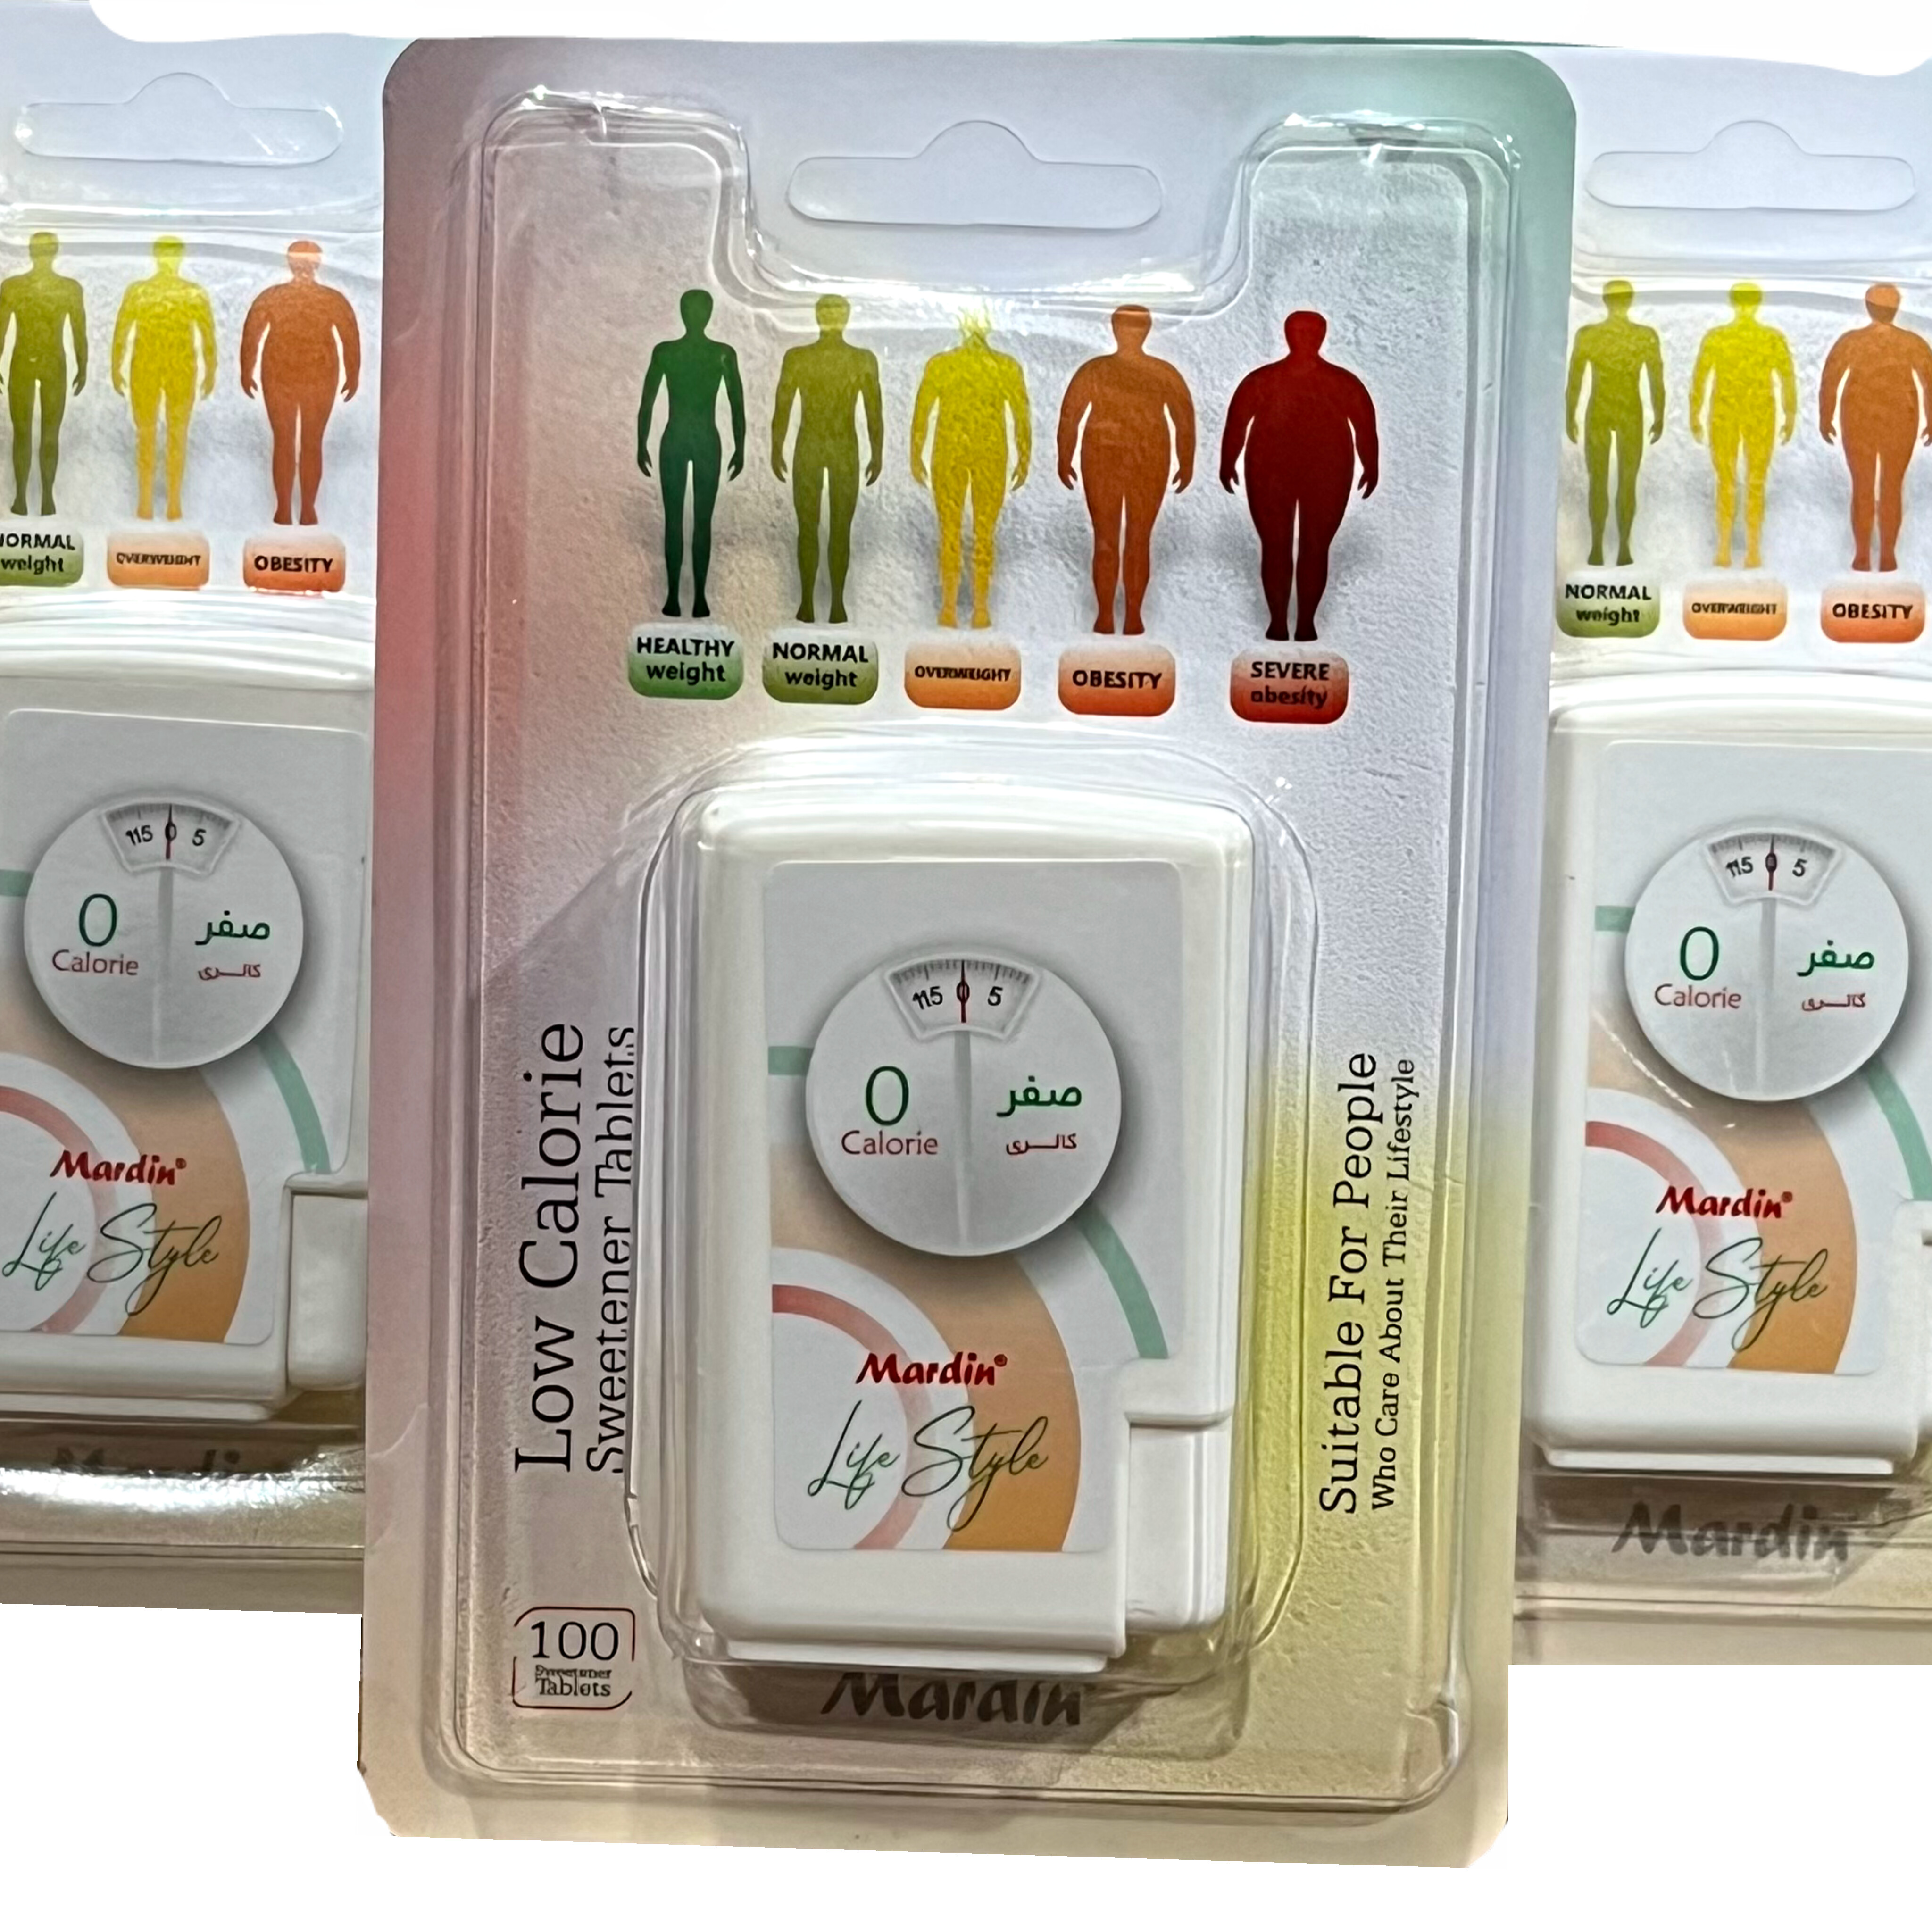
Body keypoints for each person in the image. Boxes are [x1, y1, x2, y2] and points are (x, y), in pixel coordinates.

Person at [1219, 310, 1377, 643]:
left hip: (1328, 470)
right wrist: (1228, 460)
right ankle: (1278, 622)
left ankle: (1306, 622)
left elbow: (1365, 426)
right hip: (1269, 469)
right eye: (1299, 332)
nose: (1305, 339)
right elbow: (1238, 423)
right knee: (1275, 544)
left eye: (1311, 332)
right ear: (1287, 335)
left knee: (1316, 546)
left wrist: (1371, 463)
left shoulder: (1343, 384)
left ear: (1322, 337)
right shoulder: (1262, 381)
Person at [1057, 305, 1194, 635]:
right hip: (1108, 459)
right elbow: (1070, 416)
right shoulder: (1105, 371)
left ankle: (1130, 615)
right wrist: (1065, 456)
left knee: (1132, 538)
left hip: (1143, 460)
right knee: (1115, 538)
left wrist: (1186, 459)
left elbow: (1184, 420)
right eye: (1127, 328)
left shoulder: (1148, 373)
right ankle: (1109, 615)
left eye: (1135, 328)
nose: (1131, 334)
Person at [910, 314, 1030, 628]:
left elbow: (1021, 415)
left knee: (971, 532)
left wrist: (1025, 455)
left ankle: (971, 609)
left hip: (972, 452)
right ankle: (959, 609)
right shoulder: (992, 366)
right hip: (969, 451)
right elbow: (923, 411)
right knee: (961, 531)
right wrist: (915, 452)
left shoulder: (996, 366)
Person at [770, 295, 882, 625]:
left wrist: (878, 451)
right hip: (823, 446)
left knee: (833, 528)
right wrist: (776, 447)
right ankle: (811, 602)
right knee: (814, 527)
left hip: (830, 447)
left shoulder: (859, 360)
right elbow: (783, 406)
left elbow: (874, 411)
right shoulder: (802, 358)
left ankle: (833, 603)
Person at [637, 289, 745, 619]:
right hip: (691, 440)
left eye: (699, 310)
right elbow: (648, 402)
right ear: (685, 313)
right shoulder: (682, 353)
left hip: (690, 440)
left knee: (697, 520)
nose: (696, 316)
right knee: (682, 520)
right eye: (692, 309)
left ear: (707, 315)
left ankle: (697, 597)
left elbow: (737, 406)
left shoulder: (718, 354)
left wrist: (741, 447)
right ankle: (676, 596)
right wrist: (641, 443)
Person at [239, 240, 361, 527]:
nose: (304, 268)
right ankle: (287, 509)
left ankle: (305, 509)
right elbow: (252, 335)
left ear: (317, 264)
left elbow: (350, 338)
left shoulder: (285, 298)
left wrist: (353, 373)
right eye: (300, 262)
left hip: (316, 375)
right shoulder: (281, 298)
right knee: (289, 440)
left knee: (307, 441)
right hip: (283, 374)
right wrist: (247, 369)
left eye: (308, 262)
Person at [1819, 283, 1932, 573]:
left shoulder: (1851, 342)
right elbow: (1929, 384)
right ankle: (1888, 556)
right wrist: (1931, 419)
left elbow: (1831, 379)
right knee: (1893, 486)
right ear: (1897, 309)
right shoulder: (1913, 343)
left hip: (1859, 418)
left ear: (1868, 308)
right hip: (1901, 419)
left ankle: (1862, 555)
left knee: (1862, 486)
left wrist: (1826, 416)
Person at [1689, 283, 1797, 570]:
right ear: (1757, 304)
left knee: (1728, 481)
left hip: (1730, 412)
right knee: (1753, 481)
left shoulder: (1718, 337)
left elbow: (1700, 378)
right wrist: (1790, 414)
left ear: (1734, 303)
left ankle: (1730, 550)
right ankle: (1748, 551)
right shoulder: (1771, 338)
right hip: (1755, 412)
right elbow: (1787, 378)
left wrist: (1695, 413)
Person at [112, 237, 217, 522]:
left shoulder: (190, 293)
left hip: (171, 366)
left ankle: (171, 503)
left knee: (172, 433)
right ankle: (148, 503)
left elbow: (207, 336)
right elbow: (122, 330)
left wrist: (211, 369)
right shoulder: (146, 292)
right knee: (152, 433)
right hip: (156, 366)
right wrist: (115, 365)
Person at [1566, 280, 1665, 567]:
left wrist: (1570, 414)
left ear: (1605, 301)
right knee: (1626, 482)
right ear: (1629, 301)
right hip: (1628, 411)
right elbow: (1656, 381)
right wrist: (1659, 415)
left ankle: (1599, 548)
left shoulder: (1591, 336)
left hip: (1601, 410)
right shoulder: (1643, 336)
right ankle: (1621, 549)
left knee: (1599, 480)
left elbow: (1575, 381)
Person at [0, 232, 86, 517]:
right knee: (33, 433)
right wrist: (82, 365)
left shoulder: (21, 287)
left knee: (36, 433)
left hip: (38, 364)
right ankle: (29, 498)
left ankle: (39, 497)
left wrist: (83, 364)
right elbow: (1, 329)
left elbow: (79, 331)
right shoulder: (61, 289)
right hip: (43, 364)